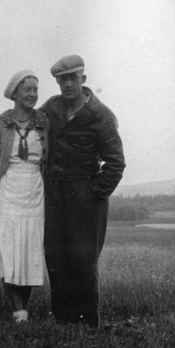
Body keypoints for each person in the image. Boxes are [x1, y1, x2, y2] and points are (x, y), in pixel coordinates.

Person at [43, 55, 125, 328]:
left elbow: (116, 162)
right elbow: (27, 122)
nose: (67, 84)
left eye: (73, 78)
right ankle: (63, 323)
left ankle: (88, 325)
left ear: (83, 79)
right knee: (55, 257)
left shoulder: (101, 115)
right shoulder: (51, 108)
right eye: (62, 80)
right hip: (54, 193)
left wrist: (95, 192)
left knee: (83, 259)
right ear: (57, 82)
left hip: (85, 194)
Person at [0, 70, 48, 323]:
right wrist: (7, 172)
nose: (32, 94)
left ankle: (24, 311)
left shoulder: (44, 122)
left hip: (35, 193)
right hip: (5, 195)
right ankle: (18, 312)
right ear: (15, 93)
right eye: (26, 89)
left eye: (35, 89)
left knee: (29, 252)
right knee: (10, 253)